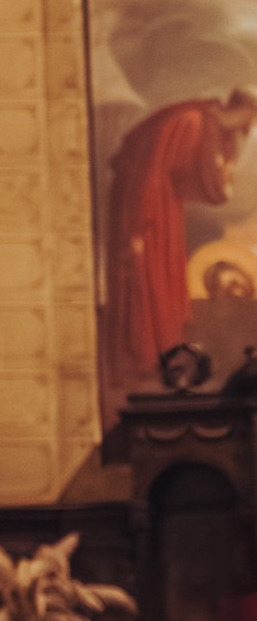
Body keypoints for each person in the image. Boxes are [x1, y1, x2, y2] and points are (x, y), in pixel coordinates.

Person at [103, 89, 257, 399]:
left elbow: (212, 188)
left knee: (165, 287)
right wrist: (137, 228)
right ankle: (144, 360)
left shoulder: (211, 127)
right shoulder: (190, 121)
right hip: (148, 211)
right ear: (241, 109)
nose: (249, 127)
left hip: (165, 211)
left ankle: (160, 356)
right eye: (250, 119)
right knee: (148, 287)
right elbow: (150, 174)